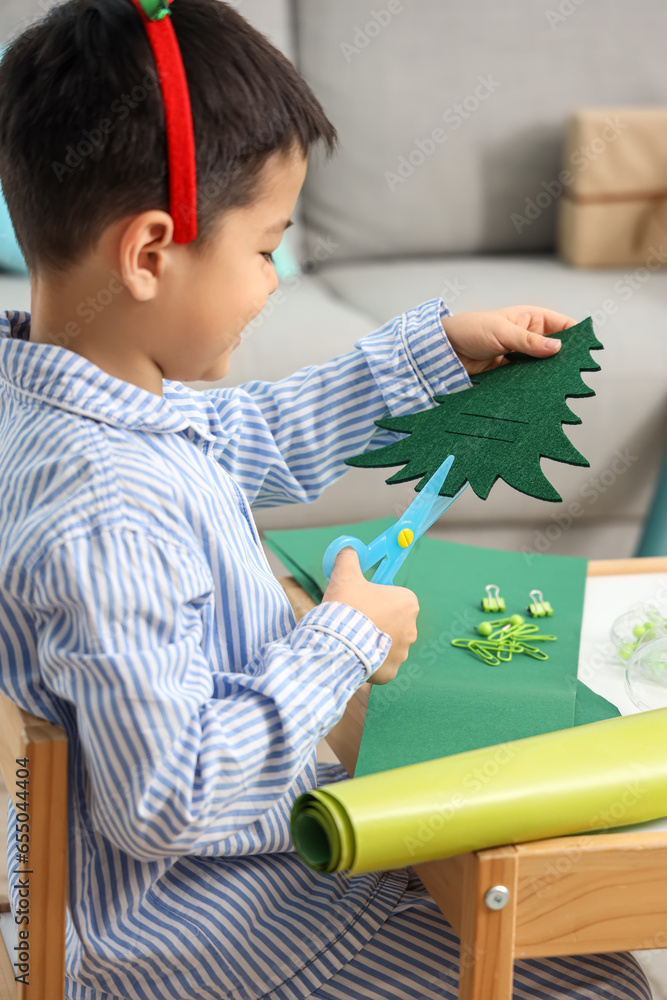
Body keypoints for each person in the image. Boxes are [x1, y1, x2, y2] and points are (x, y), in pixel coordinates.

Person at [0, 2, 652, 999]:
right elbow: (166, 798)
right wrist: (339, 638)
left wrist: (427, 356)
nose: (271, 282)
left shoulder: (76, 399)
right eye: (264, 250)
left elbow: (251, 435)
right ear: (148, 253)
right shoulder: (107, 507)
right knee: (590, 973)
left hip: (198, 886)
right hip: (203, 926)